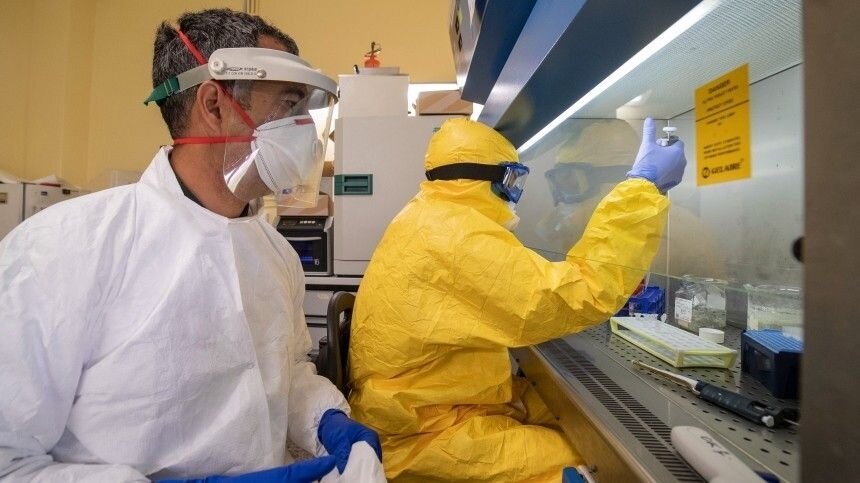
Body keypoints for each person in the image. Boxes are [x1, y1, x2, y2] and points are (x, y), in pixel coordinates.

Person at [0, 9, 379, 482]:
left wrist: (325, 419)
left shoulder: (275, 252)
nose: (303, 127)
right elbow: (10, 461)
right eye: (288, 104)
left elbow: (287, 373)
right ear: (214, 104)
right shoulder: (63, 250)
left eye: (306, 109)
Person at [348, 117, 687, 482]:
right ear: (497, 178)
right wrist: (641, 188)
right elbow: (581, 293)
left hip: (434, 406)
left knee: (592, 427)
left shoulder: (428, 215)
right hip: (425, 437)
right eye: (514, 182)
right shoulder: (458, 235)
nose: (514, 194)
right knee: (602, 464)